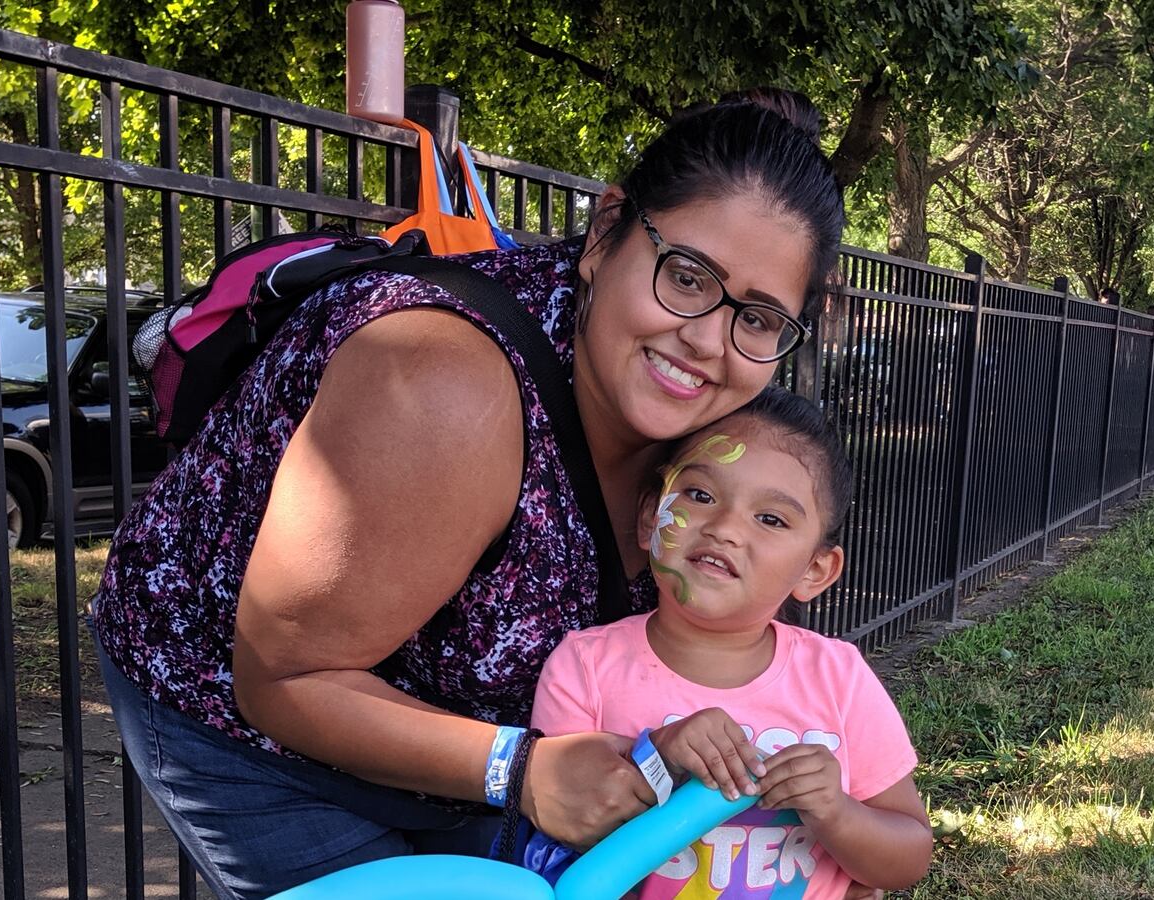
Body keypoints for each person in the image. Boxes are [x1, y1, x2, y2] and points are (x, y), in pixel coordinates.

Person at [88, 87, 846, 900]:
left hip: (469, 727)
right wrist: (517, 768)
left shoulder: (721, 423)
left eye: (760, 318)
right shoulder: (440, 386)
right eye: (687, 276)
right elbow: (283, 679)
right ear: (604, 232)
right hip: (247, 722)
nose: (706, 340)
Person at [523, 386, 932, 897]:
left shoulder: (838, 677)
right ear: (652, 518)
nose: (724, 528)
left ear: (815, 569)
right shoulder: (584, 668)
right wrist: (659, 762)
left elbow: (908, 856)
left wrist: (837, 813)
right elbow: (558, 855)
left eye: (770, 519)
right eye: (700, 495)